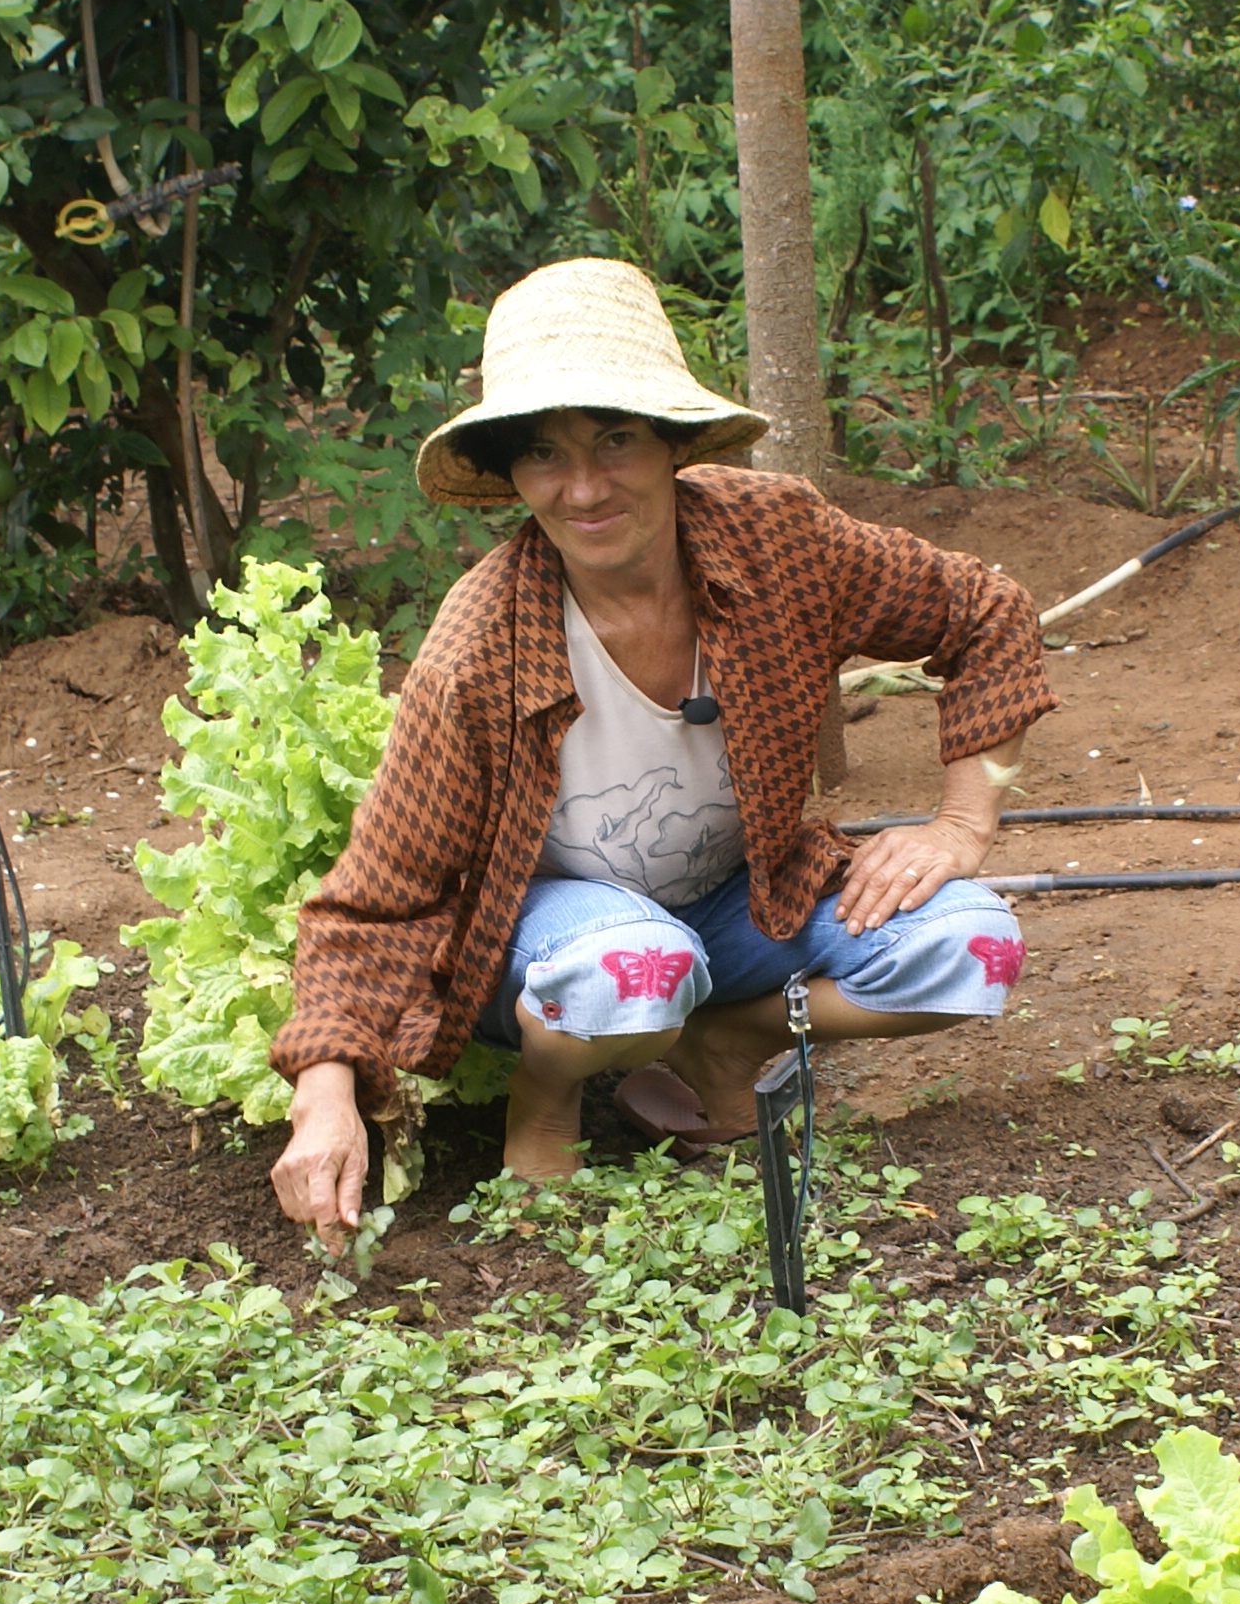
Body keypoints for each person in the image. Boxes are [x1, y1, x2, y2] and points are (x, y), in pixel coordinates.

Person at [268, 257, 1053, 1228]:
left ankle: (726, 1044)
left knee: (972, 947)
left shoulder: (775, 544)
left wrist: (960, 824)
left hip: (740, 900)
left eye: (614, 440)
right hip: (557, 947)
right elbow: (375, 901)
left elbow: (982, 609)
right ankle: (546, 1096)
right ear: (511, 472)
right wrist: (325, 1096)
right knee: (636, 966)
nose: (583, 488)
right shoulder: (480, 651)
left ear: (671, 443)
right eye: (544, 454)